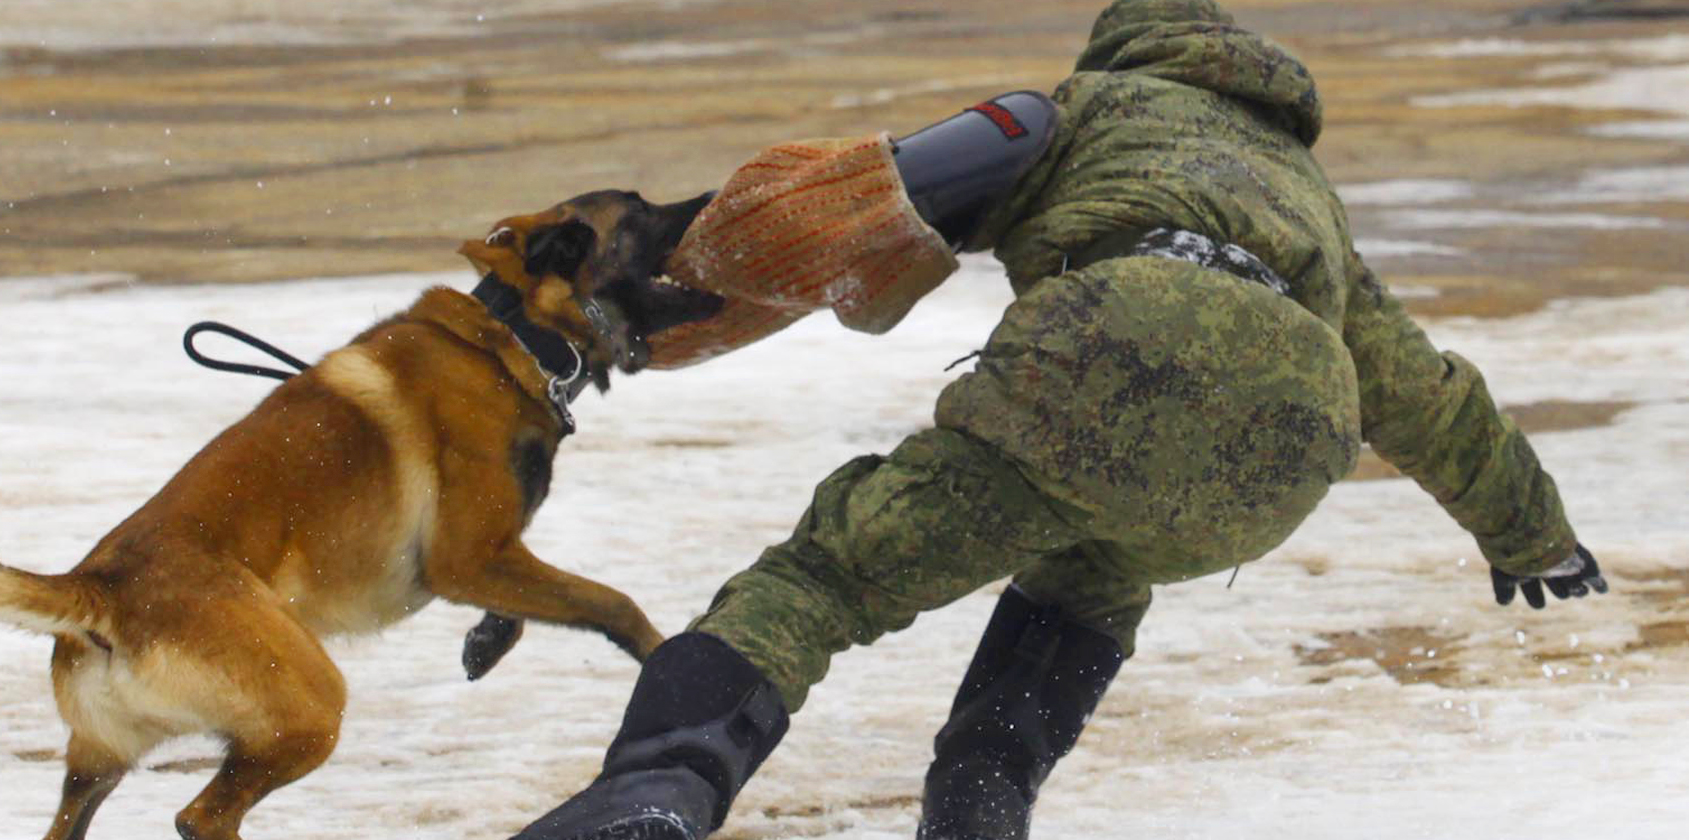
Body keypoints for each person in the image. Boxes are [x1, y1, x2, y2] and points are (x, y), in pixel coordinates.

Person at [512, 1, 1608, 838]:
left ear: (1122, 45)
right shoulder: (1306, 197)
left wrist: (664, 271)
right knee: (1090, 575)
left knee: (829, 578)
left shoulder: (1076, 112)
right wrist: (1531, 534)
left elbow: (877, 199)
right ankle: (977, 814)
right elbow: (1428, 396)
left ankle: (656, 795)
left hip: (1105, 348)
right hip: (1279, 450)